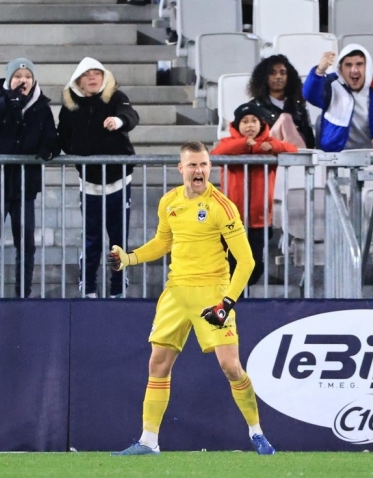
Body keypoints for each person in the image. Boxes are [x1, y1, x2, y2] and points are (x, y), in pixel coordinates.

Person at [108, 141, 275, 456]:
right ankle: (148, 441)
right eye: (193, 165)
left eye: (204, 165)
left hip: (212, 293)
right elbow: (162, 242)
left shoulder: (222, 206)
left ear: (210, 167)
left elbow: (247, 262)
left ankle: (257, 433)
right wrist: (128, 259)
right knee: (158, 363)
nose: (199, 171)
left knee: (230, 367)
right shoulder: (169, 201)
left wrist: (226, 304)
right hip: (176, 293)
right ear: (180, 168)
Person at [0, 57, 60, 298]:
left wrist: (48, 149)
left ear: (34, 80)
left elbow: (52, 138)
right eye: (18, 76)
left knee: (26, 242)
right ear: (10, 79)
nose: (23, 81)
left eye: (28, 76)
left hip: (24, 184)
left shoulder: (41, 106)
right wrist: (9, 102)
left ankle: (23, 292)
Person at [58, 57, 140, 298]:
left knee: (118, 239)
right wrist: (74, 152)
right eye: (87, 74)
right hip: (89, 183)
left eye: (97, 73)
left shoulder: (116, 97)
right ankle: (89, 289)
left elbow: (130, 114)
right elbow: (62, 136)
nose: (92, 78)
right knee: (91, 239)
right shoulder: (70, 106)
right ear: (78, 81)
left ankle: (117, 290)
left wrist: (119, 121)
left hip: (118, 181)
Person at [211, 103, 298, 288]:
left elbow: (292, 149)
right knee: (232, 264)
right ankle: (233, 301)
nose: (249, 125)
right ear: (236, 125)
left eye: (254, 121)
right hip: (232, 219)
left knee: (255, 264)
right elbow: (216, 153)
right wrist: (245, 144)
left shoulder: (269, 145)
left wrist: (262, 148)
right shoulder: (229, 144)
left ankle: (239, 296)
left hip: (259, 220)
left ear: (261, 124)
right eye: (244, 121)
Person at [302, 44, 373, 152]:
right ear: (340, 69)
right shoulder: (331, 84)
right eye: (348, 65)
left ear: (368, 67)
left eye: (359, 64)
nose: (354, 70)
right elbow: (310, 95)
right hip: (336, 157)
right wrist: (319, 72)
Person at [246, 54, 315, 149]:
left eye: (282, 73)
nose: (278, 76)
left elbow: (309, 138)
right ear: (264, 77)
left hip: (298, 153)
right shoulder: (253, 107)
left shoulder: (298, 106)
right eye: (272, 73)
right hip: (269, 154)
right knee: (285, 118)